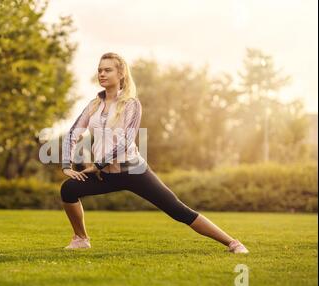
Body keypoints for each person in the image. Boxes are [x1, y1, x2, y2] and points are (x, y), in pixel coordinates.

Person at [60, 52, 248, 254]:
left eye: (107, 70)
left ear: (121, 73)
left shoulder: (131, 104)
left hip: (133, 171)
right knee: (69, 189)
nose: (102, 74)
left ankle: (233, 243)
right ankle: (81, 238)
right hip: (104, 175)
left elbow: (126, 141)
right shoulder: (94, 105)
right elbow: (73, 133)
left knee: (177, 210)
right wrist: (66, 165)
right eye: (99, 70)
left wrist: (97, 164)